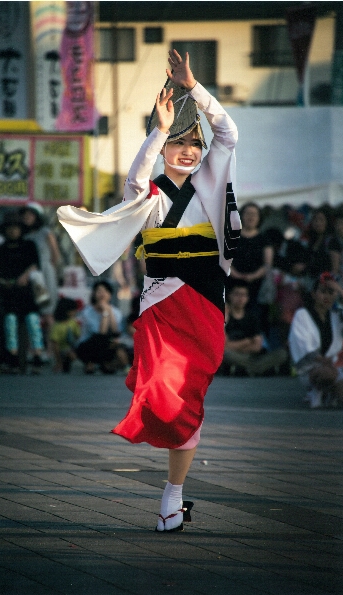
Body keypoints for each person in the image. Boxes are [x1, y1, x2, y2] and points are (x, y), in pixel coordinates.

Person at [58, 50, 241, 532]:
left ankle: (174, 492)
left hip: (206, 308)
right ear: (163, 148)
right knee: (165, 396)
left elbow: (228, 134)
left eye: (193, 144)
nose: (188, 151)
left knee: (190, 398)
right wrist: (158, 128)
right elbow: (133, 181)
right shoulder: (150, 194)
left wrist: (195, 87)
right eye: (177, 143)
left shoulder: (212, 182)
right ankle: (173, 495)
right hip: (162, 307)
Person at [0, 212, 45, 374]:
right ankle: (13, 358)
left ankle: (37, 357)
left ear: (21, 230)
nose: (13, 231)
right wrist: (5, 282)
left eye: (16, 228)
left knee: (33, 321)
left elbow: (36, 265)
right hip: (9, 293)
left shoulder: (29, 246)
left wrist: (24, 276)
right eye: (10, 228)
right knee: (10, 322)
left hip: (28, 292)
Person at [288, 272, 343, 409]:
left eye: (331, 292)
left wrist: (341, 293)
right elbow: (303, 347)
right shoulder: (302, 315)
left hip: (334, 366)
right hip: (311, 367)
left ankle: (329, 391)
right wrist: (323, 361)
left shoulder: (337, 316)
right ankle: (316, 390)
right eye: (323, 291)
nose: (327, 296)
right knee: (327, 373)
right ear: (313, 294)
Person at [222, 282, 288, 376]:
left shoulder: (252, 318)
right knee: (227, 354)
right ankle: (258, 369)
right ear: (230, 296)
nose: (240, 298)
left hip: (251, 357)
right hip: (236, 356)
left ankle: (249, 369)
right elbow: (225, 346)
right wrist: (247, 341)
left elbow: (257, 346)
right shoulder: (226, 317)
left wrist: (237, 346)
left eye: (243, 295)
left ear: (247, 298)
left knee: (282, 354)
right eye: (237, 294)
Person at [20, 203, 61, 346]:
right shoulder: (23, 235)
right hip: (29, 275)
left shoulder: (45, 232)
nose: (26, 217)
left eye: (30, 215)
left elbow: (55, 254)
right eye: (24, 215)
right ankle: (35, 348)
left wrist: (51, 271)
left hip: (46, 274)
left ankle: (51, 348)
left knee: (48, 312)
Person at [75, 280, 129, 374]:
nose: (102, 294)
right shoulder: (87, 312)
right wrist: (105, 312)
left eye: (105, 291)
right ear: (94, 294)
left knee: (115, 341)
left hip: (106, 343)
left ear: (110, 295)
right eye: (99, 291)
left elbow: (116, 331)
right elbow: (100, 333)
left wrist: (109, 310)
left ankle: (107, 363)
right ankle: (91, 362)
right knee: (100, 339)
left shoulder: (116, 312)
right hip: (88, 345)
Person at [50, 297, 81, 373]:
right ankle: (61, 363)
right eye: (73, 310)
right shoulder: (57, 326)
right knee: (68, 354)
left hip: (71, 347)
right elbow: (55, 344)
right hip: (61, 350)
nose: (75, 312)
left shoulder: (73, 323)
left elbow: (78, 336)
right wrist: (58, 360)